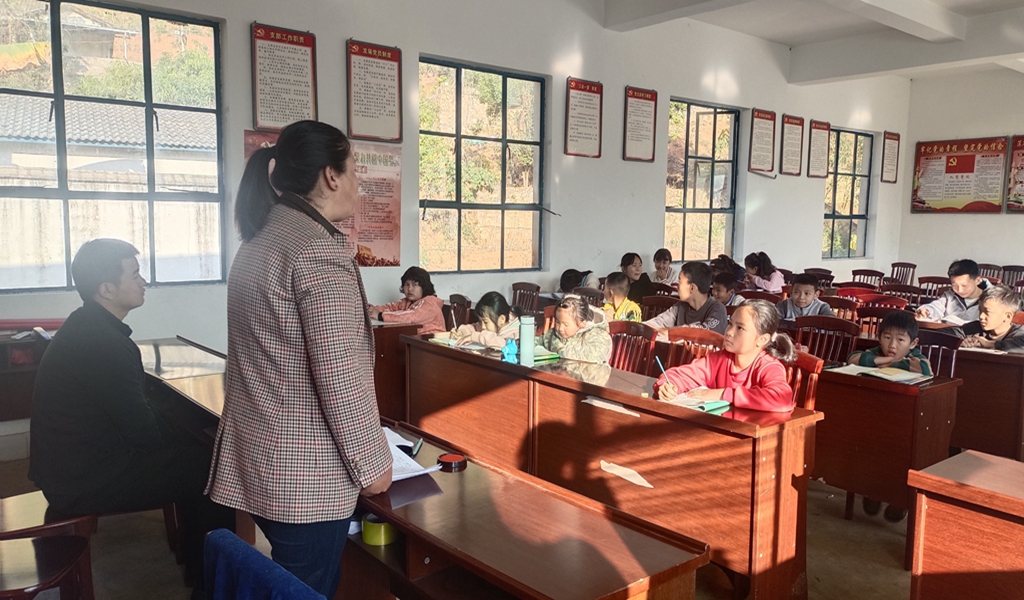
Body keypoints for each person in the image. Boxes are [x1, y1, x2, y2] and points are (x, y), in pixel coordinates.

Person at [208, 120, 392, 598]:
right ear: (331, 175)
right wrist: (372, 466)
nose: (358, 183)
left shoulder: (259, 238)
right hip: (305, 478)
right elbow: (340, 378)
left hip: (259, 457)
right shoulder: (316, 252)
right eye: (353, 170)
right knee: (304, 589)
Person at [29, 239, 235, 599]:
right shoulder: (103, 343)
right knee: (210, 467)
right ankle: (211, 586)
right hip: (83, 481)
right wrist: (192, 437)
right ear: (106, 289)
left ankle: (198, 567)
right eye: (135, 274)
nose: (144, 281)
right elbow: (143, 433)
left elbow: (137, 414)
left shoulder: (86, 326)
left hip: (69, 469)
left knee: (195, 453)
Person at [653, 299, 796, 412]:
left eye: (740, 328)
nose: (729, 332)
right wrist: (668, 385)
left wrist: (723, 394)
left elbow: (781, 398)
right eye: (730, 323)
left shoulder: (769, 366)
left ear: (762, 339)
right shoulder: (720, 359)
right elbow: (682, 375)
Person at [643, 261, 728, 335]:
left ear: (692, 288)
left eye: (680, 281)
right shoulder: (680, 306)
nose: (677, 286)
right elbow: (658, 322)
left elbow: (704, 334)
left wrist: (668, 331)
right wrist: (639, 327)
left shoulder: (717, 309)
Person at [848, 311, 932, 375]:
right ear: (879, 338)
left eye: (900, 340)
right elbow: (851, 358)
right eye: (887, 338)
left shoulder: (914, 355)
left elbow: (926, 369)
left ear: (913, 343)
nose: (892, 345)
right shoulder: (878, 352)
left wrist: (893, 364)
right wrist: (889, 359)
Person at [369, 266, 446, 335]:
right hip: (414, 339)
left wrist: (380, 316)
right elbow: (392, 307)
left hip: (431, 341)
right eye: (407, 284)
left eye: (415, 285)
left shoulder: (430, 303)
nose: (410, 289)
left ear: (424, 287)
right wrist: (371, 309)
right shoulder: (407, 301)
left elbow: (410, 317)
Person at [537, 296, 612, 364]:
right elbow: (539, 342)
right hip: (555, 373)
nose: (560, 328)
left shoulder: (599, 336)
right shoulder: (554, 334)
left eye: (566, 324)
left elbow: (593, 357)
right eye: (557, 322)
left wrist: (560, 352)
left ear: (582, 323)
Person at [916, 259, 990, 328]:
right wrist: (927, 311)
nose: (960, 290)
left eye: (964, 285)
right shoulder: (949, 296)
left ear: (977, 280)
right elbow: (936, 307)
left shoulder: (991, 299)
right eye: (955, 285)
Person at [961, 284, 1024, 353]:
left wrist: (989, 344)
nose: (981, 316)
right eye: (980, 310)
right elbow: (953, 333)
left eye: (987, 312)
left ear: (1008, 316)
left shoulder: (1019, 334)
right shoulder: (974, 329)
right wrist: (961, 341)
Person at [450, 291, 521, 349]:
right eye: (481, 321)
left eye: (486, 322)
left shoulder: (517, 332)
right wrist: (462, 332)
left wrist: (475, 337)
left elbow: (503, 343)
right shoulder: (489, 325)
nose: (483, 326)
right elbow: (474, 327)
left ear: (502, 319)